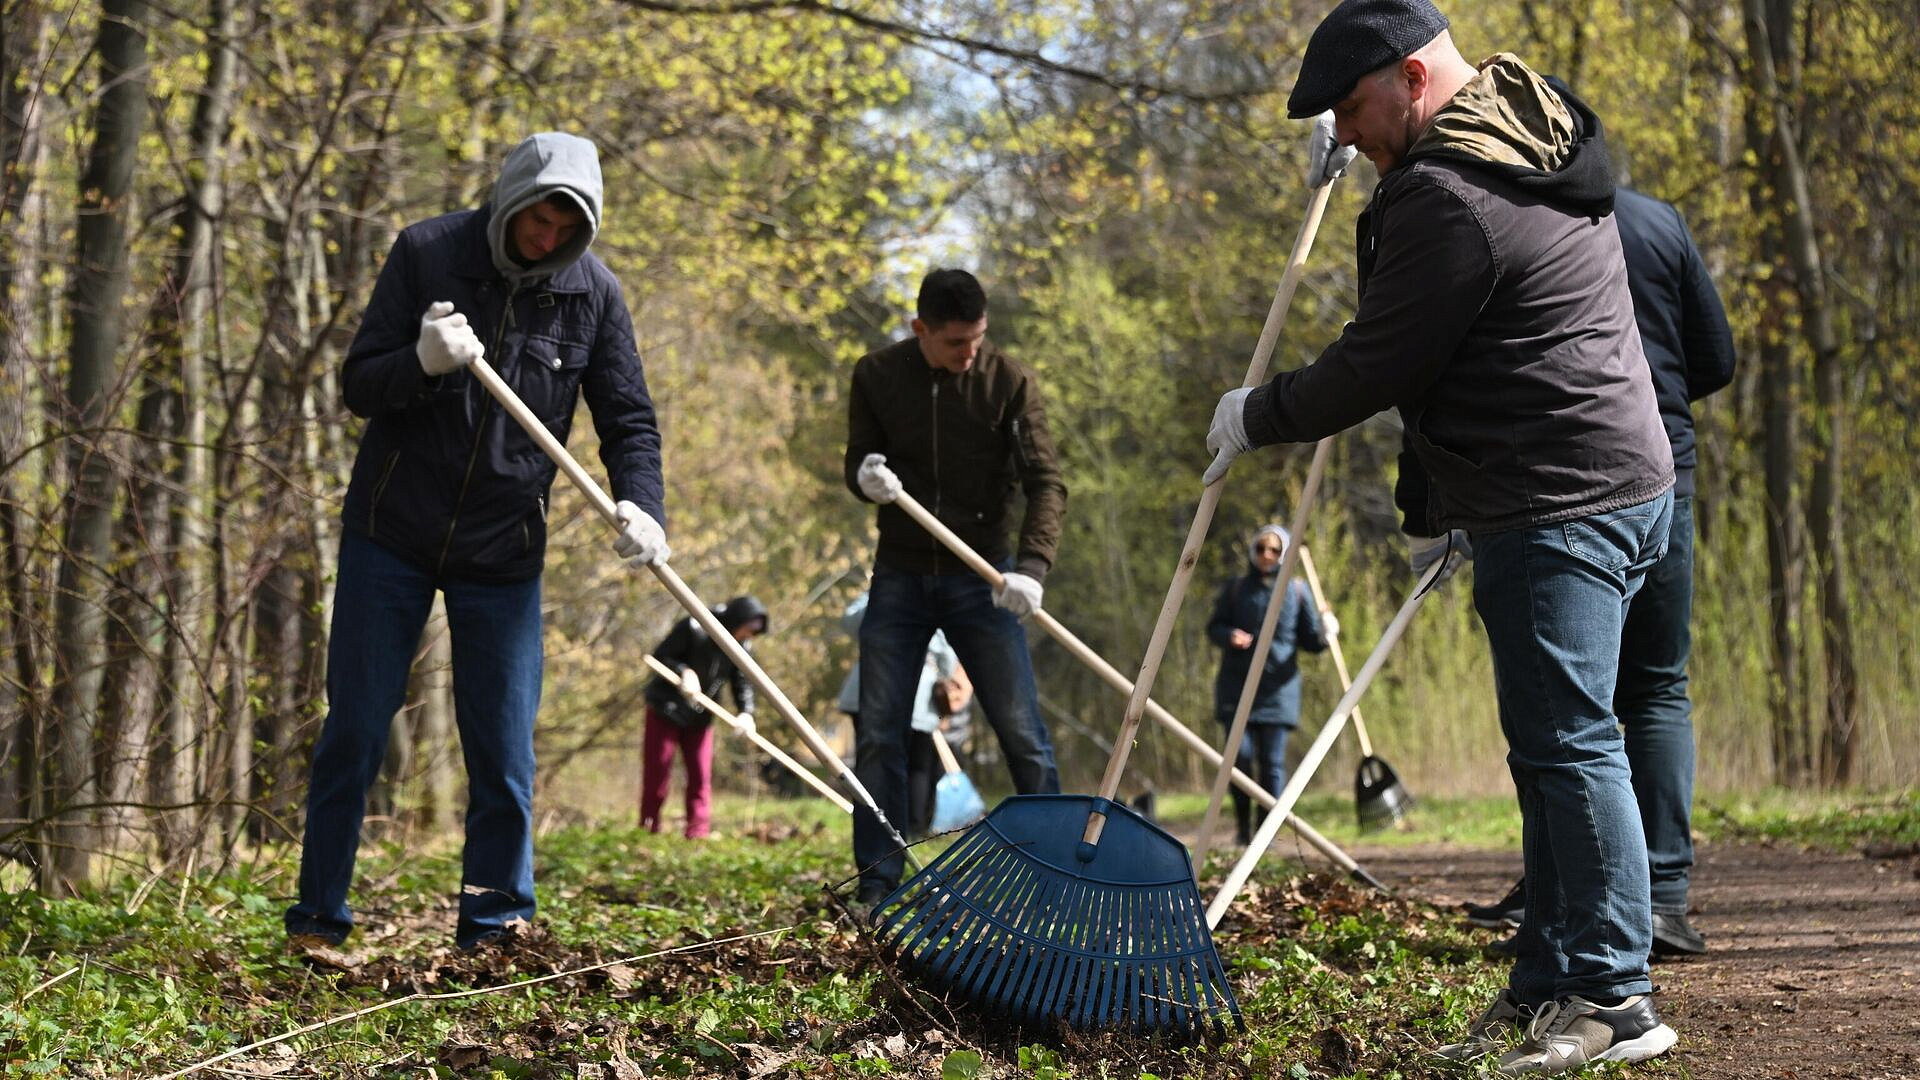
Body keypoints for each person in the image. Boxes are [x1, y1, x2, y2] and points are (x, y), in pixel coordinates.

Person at [1201, 2, 1679, 1072]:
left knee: (1570, 744)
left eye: (1356, 109)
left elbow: (1380, 364)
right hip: (1610, 477)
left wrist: (1257, 412)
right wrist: (1441, 509)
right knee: (1551, 748)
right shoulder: (1531, 125)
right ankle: (1550, 978)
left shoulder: (1447, 197)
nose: (1350, 135)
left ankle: (1615, 996)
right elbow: (1472, 339)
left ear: (1414, 77)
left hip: (1555, 497)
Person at [285, 132, 668, 951]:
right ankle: (318, 920)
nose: (548, 237)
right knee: (354, 729)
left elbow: (629, 419)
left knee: (501, 749)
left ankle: (493, 929)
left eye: (569, 225)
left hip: (503, 550)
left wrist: (643, 506)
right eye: (539, 217)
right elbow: (360, 384)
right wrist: (421, 363)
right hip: (391, 533)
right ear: (512, 197)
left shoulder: (593, 294)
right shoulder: (428, 252)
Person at [1463, 178, 1738, 957]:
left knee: (1562, 707)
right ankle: (1660, 898)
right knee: (1654, 689)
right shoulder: (1658, 220)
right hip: (1665, 480)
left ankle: (1570, 901)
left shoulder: (1503, 222)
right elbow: (1715, 358)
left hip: (1560, 488)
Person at [844, 268, 1066, 907]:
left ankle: (1055, 876)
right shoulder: (878, 376)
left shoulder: (1009, 382)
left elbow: (1046, 482)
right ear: (920, 331)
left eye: (978, 339)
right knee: (881, 731)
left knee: (1021, 728)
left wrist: (1032, 567)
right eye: (955, 344)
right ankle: (879, 883)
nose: (970, 354)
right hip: (902, 573)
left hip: (985, 575)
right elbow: (856, 462)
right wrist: (867, 477)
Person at [1205, 524, 1333, 845]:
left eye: (1275, 550)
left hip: (1279, 692)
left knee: (1272, 766)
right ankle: (1244, 831)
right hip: (1237, 689)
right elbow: (1214, 627)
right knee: (1241, 760)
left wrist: (1327, 631)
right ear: (1253, 550)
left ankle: (1266, 834)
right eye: (1261, 548)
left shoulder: (1297, 591)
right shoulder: (1236, 589)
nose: (1267, 555)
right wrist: (1228, 635)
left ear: (1284, 554)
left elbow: (1312, 642)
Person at [835, 591, 973, 838]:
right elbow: (946, 657)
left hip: (894, 692)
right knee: (888, 764)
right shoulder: (887, 595)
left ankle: (904, 829)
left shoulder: (902, 596)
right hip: (879, 690)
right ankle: (895, 829)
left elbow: (850, 622)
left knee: (899, 762)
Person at [641, 596, 769, 838]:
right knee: (657, 773)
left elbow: (743, 682)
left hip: (701, 717)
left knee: (701, 776)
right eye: (749, 629)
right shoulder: (694, 625)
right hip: (666, 709)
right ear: (737, 619)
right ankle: (648, 827)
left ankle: (698, 832)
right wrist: (683, 672)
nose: (750, 636)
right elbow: (661, 656)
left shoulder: (741, 646)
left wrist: (746, 712)